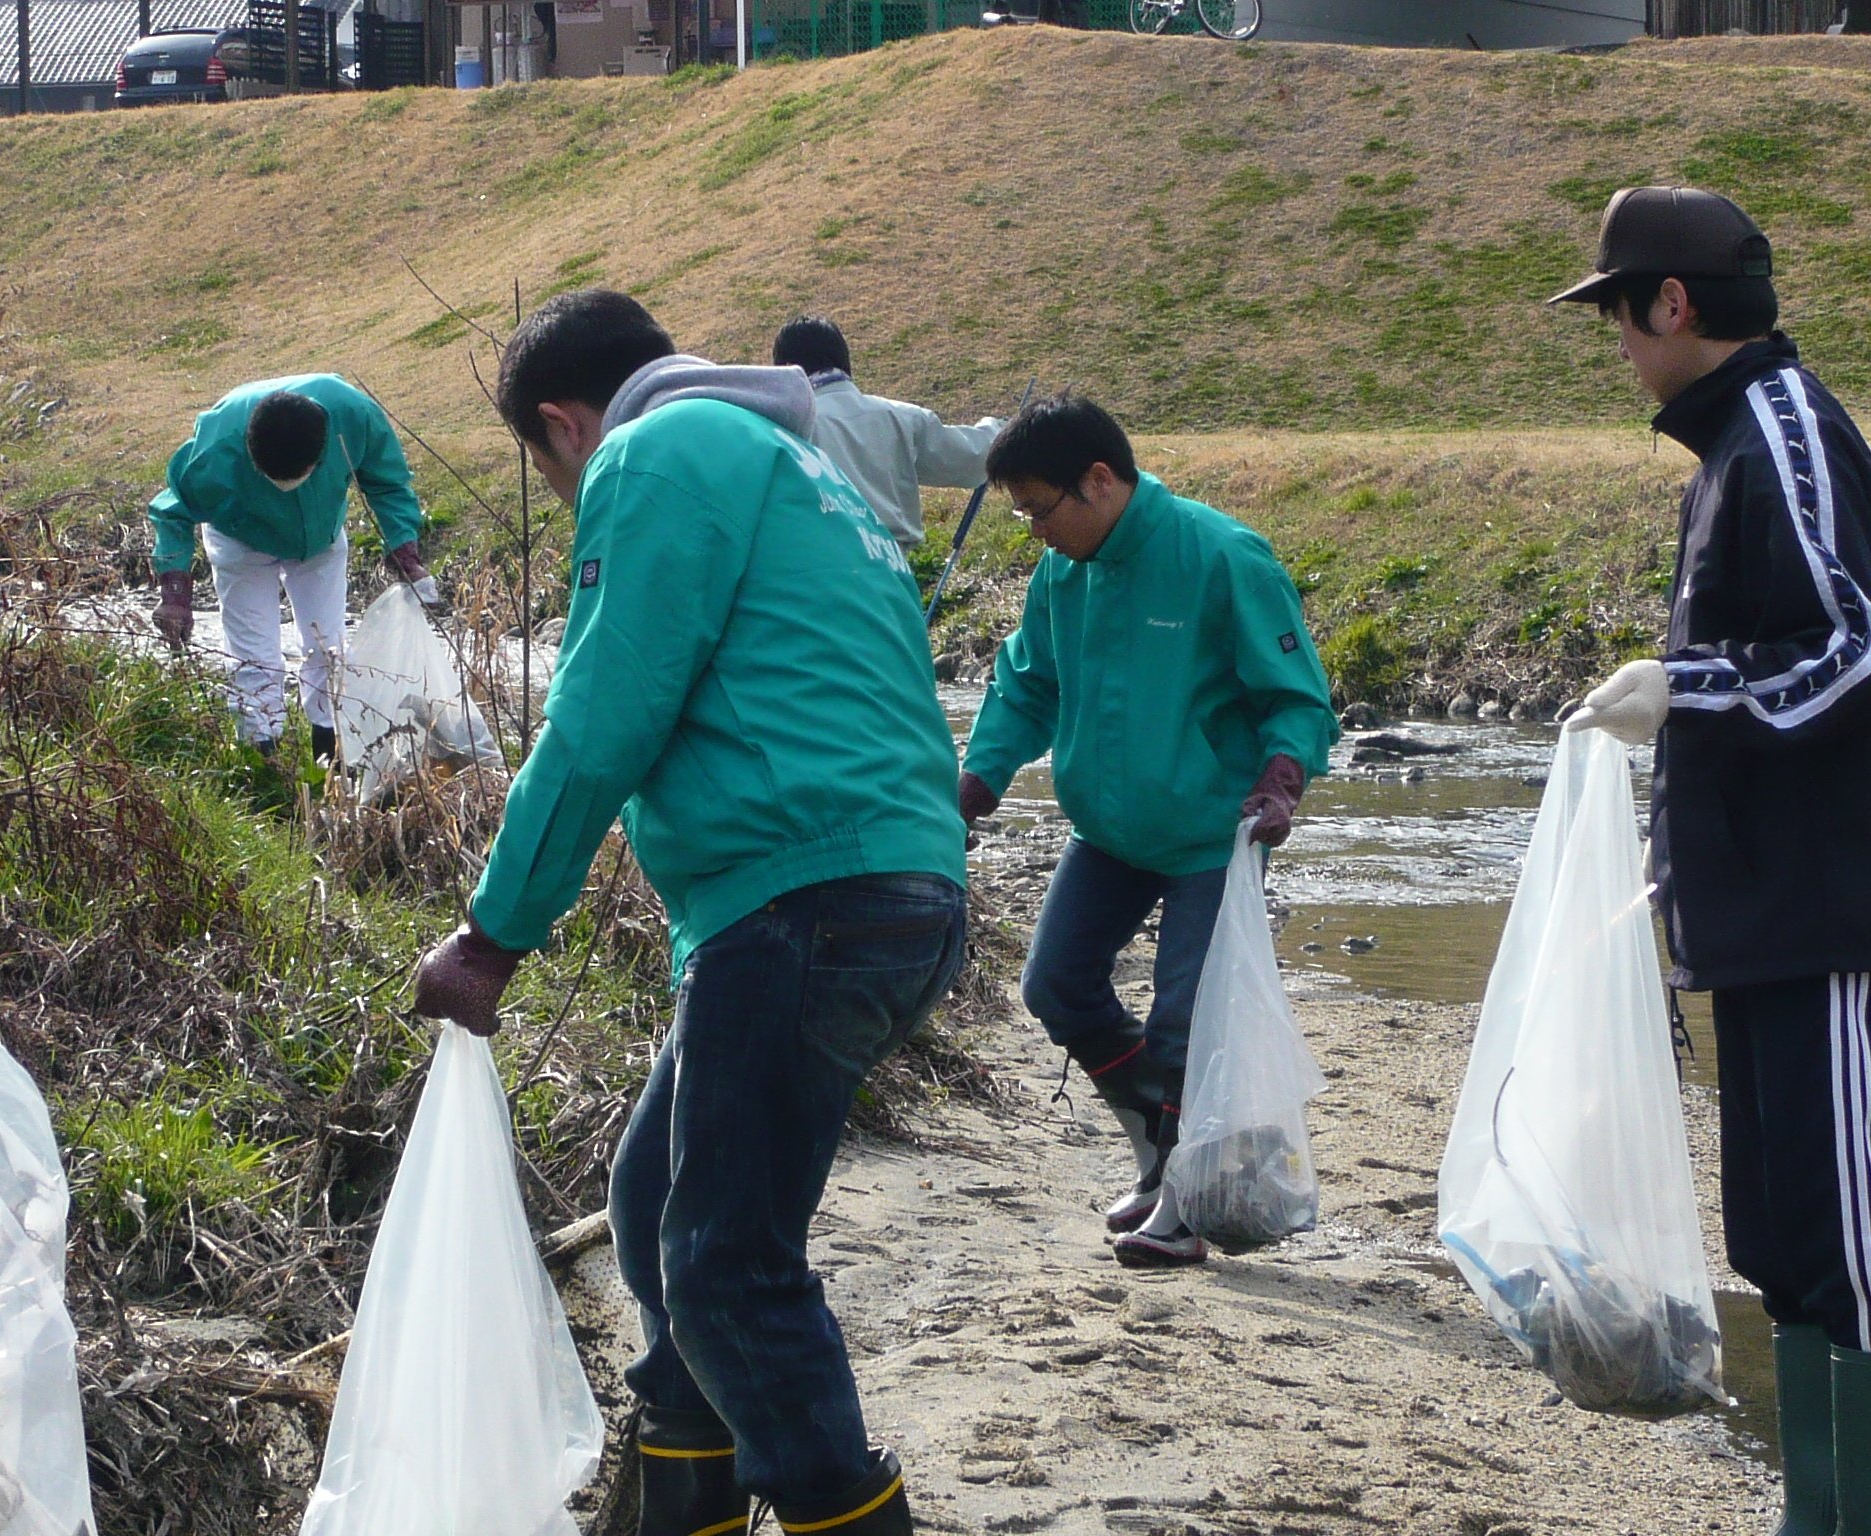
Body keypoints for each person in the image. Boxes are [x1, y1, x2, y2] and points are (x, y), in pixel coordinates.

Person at [411, 290, 967, 1536]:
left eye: (549, 470)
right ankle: (676, 1510)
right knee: (658, 1197)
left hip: (804, 897)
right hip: (891, 887)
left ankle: (837, 1511)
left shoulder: (653, 451)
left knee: (721, 1266)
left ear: (561, 424)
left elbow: (606, 712)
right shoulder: (796, 461)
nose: (567, 492)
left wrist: (493, 934)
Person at [1553, 185, 1871, 1535]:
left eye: (1618, 314)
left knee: (1850, 1253)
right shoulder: (1728, 450)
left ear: (1672, 305)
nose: (1617, 344)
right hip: (1758, 923)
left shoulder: (1787, 433)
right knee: (1785, 1241)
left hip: (1831, 920)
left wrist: (1682, 686)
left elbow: (1853, 646)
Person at [957, 393, 1336, 1269]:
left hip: (1211, 832)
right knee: (1056, 985)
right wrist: (972, 789)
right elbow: (1027, 687)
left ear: (1099, 481)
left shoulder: (1221, 555)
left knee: (1185, 1022)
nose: (1035, 532)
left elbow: (1296, 695)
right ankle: (1163, 1152)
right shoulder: (1064, 573)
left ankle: (1188, 1207)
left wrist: (1283, 778)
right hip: (1109, 832)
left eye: (1039, 510)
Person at [147, 374, 439, 760]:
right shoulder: (214, 450)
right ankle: (262, 761)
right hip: (240, 538)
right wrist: (175, 594)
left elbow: (387, 482)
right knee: (253, 657)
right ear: (249, 454)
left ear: (321, 458)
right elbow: (172, 512)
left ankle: (331, 757)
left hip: (320, 537)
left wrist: (404, 552)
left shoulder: (354, 416)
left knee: (327, 647)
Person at [771, 315, 1001, 550]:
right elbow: (972, 459)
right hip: (894, 572)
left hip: (823, 570)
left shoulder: (784, 429)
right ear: (844, 360)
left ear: (786, 371)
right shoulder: (902, 417)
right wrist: (1002, 429)